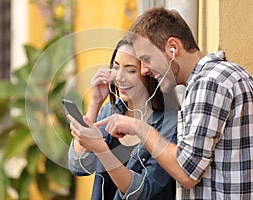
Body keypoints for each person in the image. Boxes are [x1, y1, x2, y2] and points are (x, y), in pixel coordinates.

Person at [96, 7, 253, 199]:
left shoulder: (209, 83)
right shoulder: (227, 75)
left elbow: (187, 173)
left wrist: (138, 127)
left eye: (146, 59)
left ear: (173, 47)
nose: (144, 70)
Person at [67, 39, 179, 199]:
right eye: (116, 67)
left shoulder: (169, 123)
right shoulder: (109, 112)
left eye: (130, 70)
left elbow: (143, 191)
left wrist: (102, 150)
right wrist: (95, 102)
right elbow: (78, 167)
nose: (119, 77)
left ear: (150, 73)